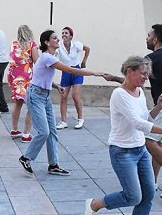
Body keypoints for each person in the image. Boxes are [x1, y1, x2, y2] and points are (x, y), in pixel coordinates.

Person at [83, 56, 162, 215]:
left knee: (148, 194)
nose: (146, 78)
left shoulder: (139, 92)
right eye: (143, 73)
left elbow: (145, 117)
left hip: (140, 150)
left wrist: (159, 107)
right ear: (130, 71)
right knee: (133, 196)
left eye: (147, 74)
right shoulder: (119, 95)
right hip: (122, 151)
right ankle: (94, 204)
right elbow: (138, 124)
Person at [104, 24, 162, 198]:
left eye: (148, 35)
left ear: (155, 39)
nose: (147, 38)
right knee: (156, 142)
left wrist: (114, 78)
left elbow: (134, 80)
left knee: (148, 140)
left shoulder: (151, 58)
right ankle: (152, 182)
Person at [18, 29, 100, 175]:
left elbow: (41, 76)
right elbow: (71, 70)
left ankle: (53, 164)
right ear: (47, 42)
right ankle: (26, 157)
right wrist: (95, 73)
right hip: (35, 96)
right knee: (44, 131)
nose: (58, 40)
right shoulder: (47, 57)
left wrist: (56, 86)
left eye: (58, 38)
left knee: (52, 132)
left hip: (45, 95)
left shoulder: (50, 56)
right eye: (55, 38)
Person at [55, 26, 90, 130]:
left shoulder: (77, 44)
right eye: (63, 33)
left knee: (75, 95)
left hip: (77, 71)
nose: (64, 35)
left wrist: (84, 61)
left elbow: (87, 49)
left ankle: (80, 119)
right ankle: (63, 121)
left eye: (66, 33)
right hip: (66, 71)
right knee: (63, 96)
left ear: (71, 36)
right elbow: (54, 54)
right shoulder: (59, 46)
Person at [7, 25, 37, 142]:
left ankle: (14, 129)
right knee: (31, 104)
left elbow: (12, 60)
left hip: (14, 76)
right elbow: (36, 61)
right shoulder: (32, 44)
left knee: (17, 103)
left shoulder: (14, 44)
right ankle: (26, 134)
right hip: (26, 76)